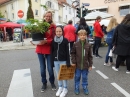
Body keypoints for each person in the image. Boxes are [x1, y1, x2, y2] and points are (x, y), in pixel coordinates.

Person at [34, 11, 56, 92]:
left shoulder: (53, 27)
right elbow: (35, 36)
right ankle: (44, 83)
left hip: (49, 49)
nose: (47, 17)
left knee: (50, 68)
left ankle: (52, 82)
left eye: (49, 16)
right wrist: (33, 41)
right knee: (42, 68)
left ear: (51, 17)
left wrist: (47, 41)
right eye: (46, 16)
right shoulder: (39, 26)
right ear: (44, 17)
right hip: (40, 49)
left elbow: (54, 39)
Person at [71, 30, 93, 95]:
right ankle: (76, 87)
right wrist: (74, 62)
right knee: (77, 77)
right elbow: (72, 53)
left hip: (85, 66)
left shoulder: (88, 45)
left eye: (84, 35)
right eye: (81, 35)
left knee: (84, 77)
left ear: (86, 36)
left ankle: (85, 87)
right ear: (78, 36)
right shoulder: (75, 44)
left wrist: (90, 65)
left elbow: (90, 56)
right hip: (77, 65)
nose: (82, 36)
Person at [51, 26, 70, 97]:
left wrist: (68, 61)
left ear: (62, 32)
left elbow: (67, 52)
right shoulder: (53, 41)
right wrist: (52, 61)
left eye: (60, 31)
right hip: (56, 61)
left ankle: (65, 88)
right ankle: (60, 87)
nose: (58, 33)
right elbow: (52, 51)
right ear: (55, 32)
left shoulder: (65, 40)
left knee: (64, 75)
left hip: (63, 60)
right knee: (58, 75)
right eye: (57, 31)